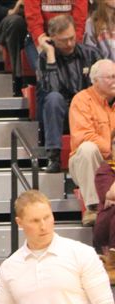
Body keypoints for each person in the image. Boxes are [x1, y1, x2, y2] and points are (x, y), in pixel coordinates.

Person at [37, 15, 99, 174]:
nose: (70, 43)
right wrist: (51, 57)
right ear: (52, 39)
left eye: (72, 38)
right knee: (53, 98)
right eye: (63, 40)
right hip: (62, 112)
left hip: (89, 109)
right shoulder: (44, 58)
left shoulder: (90, 54)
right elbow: (51, 89)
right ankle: (54, 157)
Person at [68, 59, 115, 227]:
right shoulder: (81, 100)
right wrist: (111, 150)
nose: (114, 80)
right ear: (95, 80)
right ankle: (93, 208)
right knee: (88, 148)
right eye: (110, 77)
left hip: (112, 161)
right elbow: (83, 136)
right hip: (86, 162)